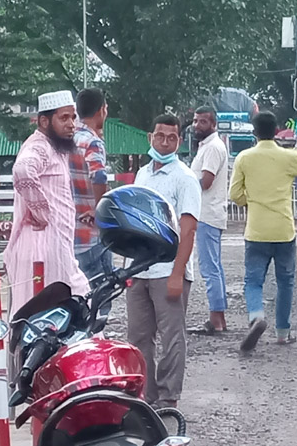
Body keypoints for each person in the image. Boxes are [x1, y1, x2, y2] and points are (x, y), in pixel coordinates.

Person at [231, 112, 297, 350]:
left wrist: (249, 201)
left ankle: (256, 316)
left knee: (253, 280)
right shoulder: (287, 157)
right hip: (284, 230)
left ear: (254, 132)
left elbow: (234, 194)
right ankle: (283, 332)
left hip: (256, 231)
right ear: (276, 131)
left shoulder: (244, 158)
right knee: (285, 282)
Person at [128, 114, 200, 408]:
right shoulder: (142, 174)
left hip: (169, 270)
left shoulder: (185, 178)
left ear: (180, 141)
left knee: (171, 337)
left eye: (172, 138)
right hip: (140, 269)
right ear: (151, 137)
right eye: (160, 136)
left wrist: (177, 273)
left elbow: (189, 228)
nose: (165, 142)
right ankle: (146, 395)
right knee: (138, 337)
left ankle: (169, 397)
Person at [3, 91, 92, 316]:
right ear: (44, 121)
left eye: (73, 117)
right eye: (64, 118)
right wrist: (41, 211)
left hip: (53, 249)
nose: (71, 124)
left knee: (73, 308)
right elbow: (23, 171)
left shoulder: (54, 148)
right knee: (46, 320)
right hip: (41, 250)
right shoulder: (39, 146)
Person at [190, 106, 229, 333]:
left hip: (207, 214)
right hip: (209, 214)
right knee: (215, 267)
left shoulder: (213, 148)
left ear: (213, 124)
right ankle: (219, 318)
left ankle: (216, 319)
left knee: (209, 268)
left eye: (202, 122)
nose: (197, 126)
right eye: (195, 121)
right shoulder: (208, 146)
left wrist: (183, 182)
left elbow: (206, 181)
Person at [69, 88, 112, 283]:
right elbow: (99, 176)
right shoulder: (92, 142)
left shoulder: (66, 139)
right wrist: (99, 208)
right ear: (101, 110)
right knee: (100, 295)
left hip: (70, 232)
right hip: (91, 235)